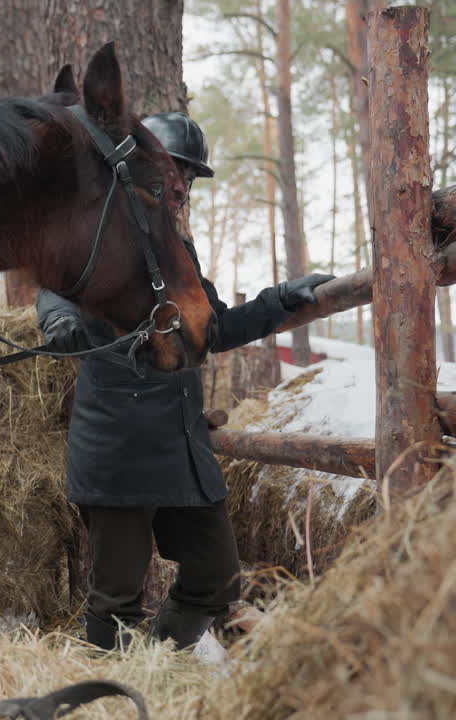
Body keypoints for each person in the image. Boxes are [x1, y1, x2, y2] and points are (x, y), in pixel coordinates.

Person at [36, 111, 333, 650]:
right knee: (117, 599)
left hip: (182, 448)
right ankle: (114, 696)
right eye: (175, 171)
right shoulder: (94, 233)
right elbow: (56, 286)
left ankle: (162, 667)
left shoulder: (180, 250)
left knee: (215, 580)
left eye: (190, 176)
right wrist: (57, 320)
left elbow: (213, 328)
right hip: (117, 449)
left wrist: (280, 300)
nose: (182, 187)